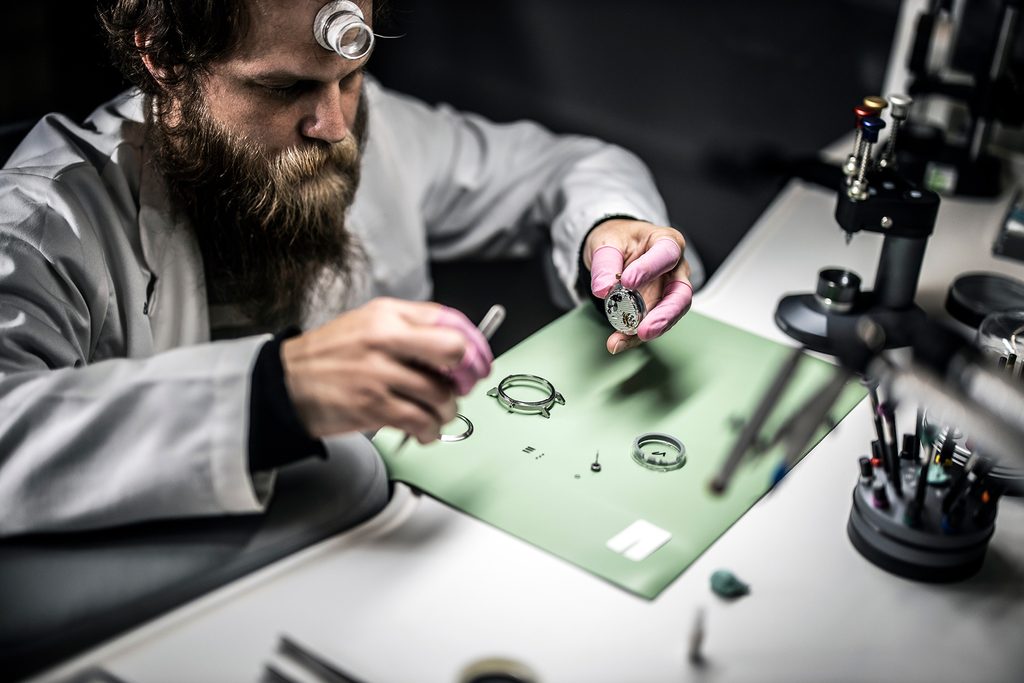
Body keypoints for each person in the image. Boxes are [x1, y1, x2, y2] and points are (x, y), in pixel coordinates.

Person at [0, 0, 703, 536]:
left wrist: (609, 229)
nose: (334, 127)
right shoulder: (40, 224)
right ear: (162, 55)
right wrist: (276, 395)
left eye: (351, 78)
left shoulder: (375, 130)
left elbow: (571, 168)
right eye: (284, 89)